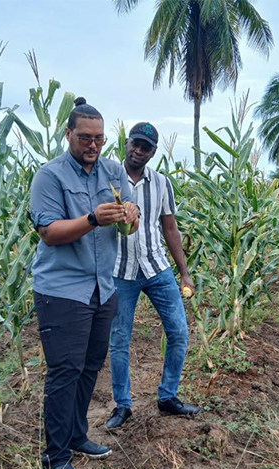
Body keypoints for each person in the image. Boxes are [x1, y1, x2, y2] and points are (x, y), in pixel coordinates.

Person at [30, 98, 140, 469]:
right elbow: (49, 233)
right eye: (84, 138)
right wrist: (92, 218)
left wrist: (130, 215)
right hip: (62, 290)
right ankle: (55, 457)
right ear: (68, 134)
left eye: (99, 138)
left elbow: (131, 219)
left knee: (91, 366)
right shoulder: (50, 176)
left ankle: (76, 436)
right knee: (65, 372)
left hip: (102, 287)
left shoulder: (113, 172)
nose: (92, 145)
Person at [106, 122, 202, 430]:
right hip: (120, 271)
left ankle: (167, 397)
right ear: (126, 143)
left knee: (179, 332)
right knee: (119, 339)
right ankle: (122, 405)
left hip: (156, 267)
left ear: (153, 152)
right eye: (135, 143)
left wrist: (184, 273)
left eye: (145, 147)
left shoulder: (161, 183)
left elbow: (169, 228)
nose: (138, 150)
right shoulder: (108, 179)